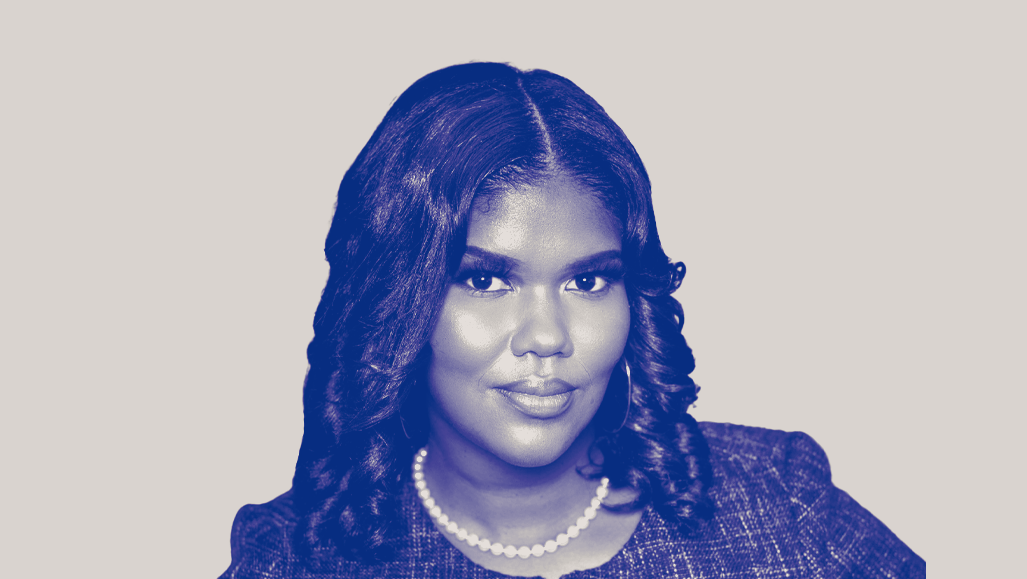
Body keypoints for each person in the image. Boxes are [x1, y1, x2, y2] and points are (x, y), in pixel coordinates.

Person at [219, 62, 924, 579]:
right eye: (485, 280)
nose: (547, 336)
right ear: (396, 300)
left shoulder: (781, 504)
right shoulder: (296, 558)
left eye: (588, 281)